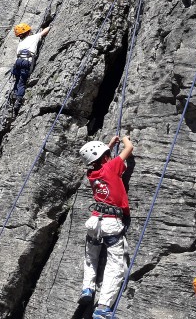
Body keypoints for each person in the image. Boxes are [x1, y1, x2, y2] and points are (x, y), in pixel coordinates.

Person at [78, 135, 133, 319]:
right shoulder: (111, 166)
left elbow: (98, 161)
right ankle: (102, 308)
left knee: (90, 257)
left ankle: (87, 288)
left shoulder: (91, 174)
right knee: (115, 266)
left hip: (94, 221)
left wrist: (108, 145)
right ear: (105, 156)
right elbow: (129, 149)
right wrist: (124, 139)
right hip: (111, 222)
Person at [10, 22, 51, 113]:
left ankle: (15, 95)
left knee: (17, 80)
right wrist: (50, 26)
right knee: (22, 83)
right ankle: (18, 100)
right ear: (28, 32)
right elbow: (44, 31)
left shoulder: (21, 44)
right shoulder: (33, 37)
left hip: (18, 63)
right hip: (26, 62)